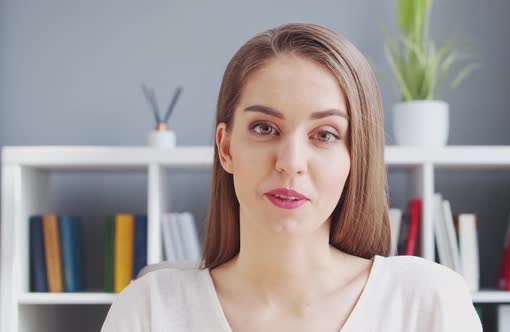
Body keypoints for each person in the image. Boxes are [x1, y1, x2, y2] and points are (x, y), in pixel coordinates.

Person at [101, 22, 483, 332]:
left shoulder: (428, 303)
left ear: (356, 157)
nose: (291, 162)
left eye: (325, 134)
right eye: (264, 128)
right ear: (226, 147)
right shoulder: (150, 311)